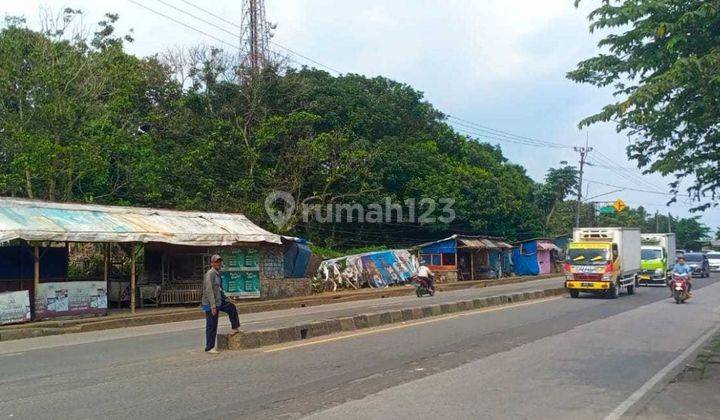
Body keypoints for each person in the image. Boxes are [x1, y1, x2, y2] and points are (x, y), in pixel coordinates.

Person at [202, 254, 240, 354]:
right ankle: (209, 347)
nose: (218, 263)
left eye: (219, 262)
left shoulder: (218, 274)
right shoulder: (210, 274)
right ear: (212, 263)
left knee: (231, 307)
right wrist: (213, 306)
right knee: (212, 325)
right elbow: (209, 290)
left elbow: (219, 289)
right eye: (216, 262)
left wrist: (227, 299)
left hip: (219, 300)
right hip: (210, 303)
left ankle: (235, 328)